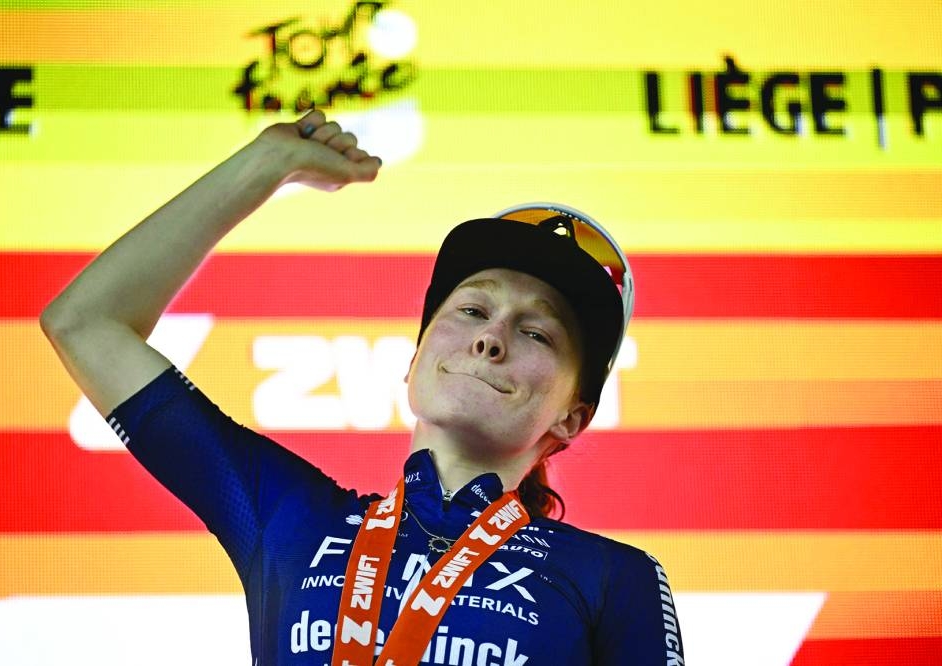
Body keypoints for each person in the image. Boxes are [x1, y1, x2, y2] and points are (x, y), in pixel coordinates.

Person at [41, 110, 685, 665]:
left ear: (573, 416)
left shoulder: (612, 578)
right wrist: (266, 165)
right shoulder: (289, 518)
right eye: (471, 310)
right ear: (413, 362)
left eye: (537, 333)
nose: (491, 338)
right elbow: (85, 323)